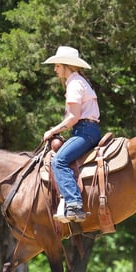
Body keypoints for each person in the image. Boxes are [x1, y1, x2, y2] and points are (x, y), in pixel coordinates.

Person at [42, 46, 101, 223]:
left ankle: (74, 203)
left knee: (58, 161)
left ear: (66, 65)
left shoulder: (75, 83)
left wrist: (52, 131)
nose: (54, 69)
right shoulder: (80, 81)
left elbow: (73, 117)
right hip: (88, 130)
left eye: (57, 65)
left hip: (84, 131)